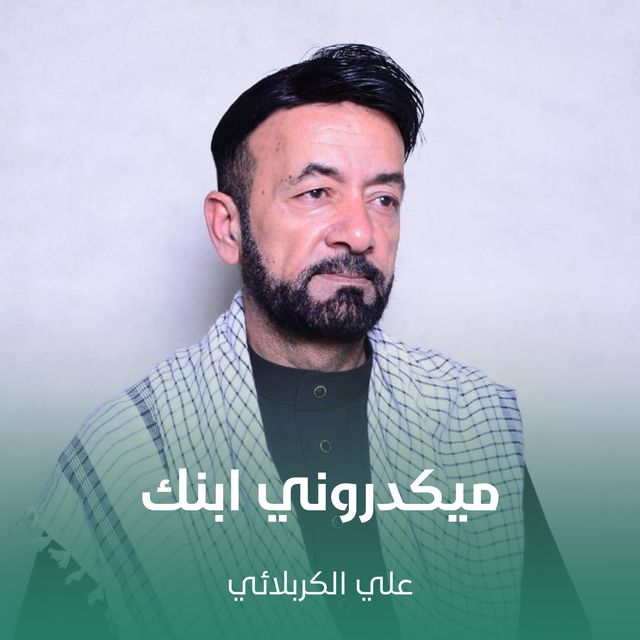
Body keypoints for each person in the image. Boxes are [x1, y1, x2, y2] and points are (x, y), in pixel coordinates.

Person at [14, 44, 589, 640]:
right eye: (316, 193)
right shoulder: (129, 456)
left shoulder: (467, 422)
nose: (360, 233)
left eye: (383, 199)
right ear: (228, 227)